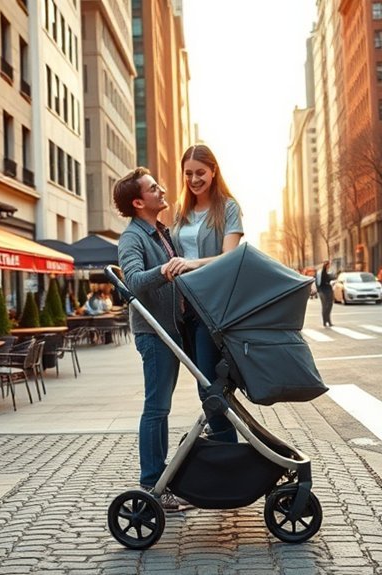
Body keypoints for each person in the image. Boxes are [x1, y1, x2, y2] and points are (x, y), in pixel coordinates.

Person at [114, 166, 189, 512]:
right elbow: (132, 281)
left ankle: (162, 479)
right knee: (157, 408)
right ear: (138, 201)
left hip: (174, 330)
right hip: (155, 335)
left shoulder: (161, 232)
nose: (161, 190)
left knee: (162, 407)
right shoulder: (133, 237)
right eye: (153, 188)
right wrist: (163, 270)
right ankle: (152, 483)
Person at [166, 144, 244, 444]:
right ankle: (224, 439)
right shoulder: (181, 210)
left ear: (213, 172)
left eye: (201, 172)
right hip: (186, 308)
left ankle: (227, 446)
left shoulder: (228, 208)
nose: (194, 179)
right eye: (188, 173)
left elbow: (230, 256)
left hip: (213, 307)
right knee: (204, 380)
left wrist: (192, 264)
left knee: (207, 383)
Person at [317, 261, 334, 327]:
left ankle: (327, 321)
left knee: (327, 306)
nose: (329, 266)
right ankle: (326, 321)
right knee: (326, 306)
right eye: (328, 265)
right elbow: (320, 282)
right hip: (324, 291)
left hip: (327, 290)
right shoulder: (322, 272)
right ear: (326, 265)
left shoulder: (326, 272)